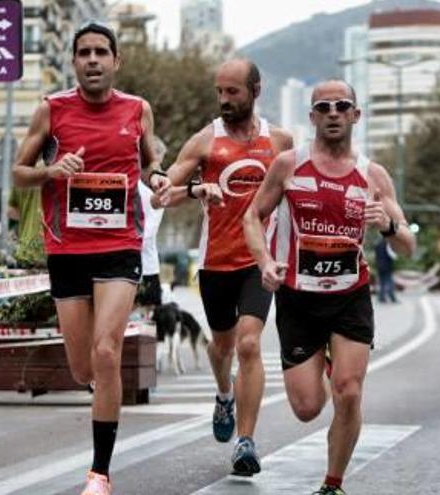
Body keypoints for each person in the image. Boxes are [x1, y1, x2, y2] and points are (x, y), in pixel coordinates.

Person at [11, 21, 166, 495]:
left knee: (107, 352)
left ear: (116, 61)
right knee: (84, 369)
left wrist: (158, 177)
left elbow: (149, 160)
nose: (93, 60)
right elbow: (18, 174)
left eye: (102, 52)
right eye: (85, 53)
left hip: (120, 245)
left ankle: (99, 472)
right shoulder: (51, 110)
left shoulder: (137, 110)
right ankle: (102, 398)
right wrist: (52, 171)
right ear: (74, 61)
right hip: (67, 249)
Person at [243, 80, 415, 495]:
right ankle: (322, 363)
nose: (333, 113)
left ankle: (332, 484)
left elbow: (408, 244)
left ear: (356, 115)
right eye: (324, 107)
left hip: (349, 296)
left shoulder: (372, 175)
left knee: (349, 392)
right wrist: (265, 263)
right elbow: (252, 217)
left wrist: (387, 224)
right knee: (306, 408)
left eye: (342, 106)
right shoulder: (288, 164)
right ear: (313, 117)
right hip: (298, 299)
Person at [154, 58, 293, 476]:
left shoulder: (280, 143)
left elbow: (301, 192)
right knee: (223, 348)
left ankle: (246, 442)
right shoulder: (204, 142)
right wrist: (194, 188)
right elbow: (164, 194)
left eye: (233, 92)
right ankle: (223, 393)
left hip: (259, 262)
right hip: (215, 262)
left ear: (255, 90)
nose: (224, 100)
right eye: (219, 92)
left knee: (249, 346)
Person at [134, 138, 167, 319]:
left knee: (149, 317)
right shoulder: (138, 189)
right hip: (132, 262)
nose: (158, 170)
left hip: (148, 264)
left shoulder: (157, 190)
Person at [373, 238, 397, 303]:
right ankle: (392, 297)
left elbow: (376, 256)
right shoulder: (388, 245)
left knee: (382, 282)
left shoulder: (377, 245)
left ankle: (381, 297)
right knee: (389, 281)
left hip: (379, 266)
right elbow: (393, 256)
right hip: (387, 266)